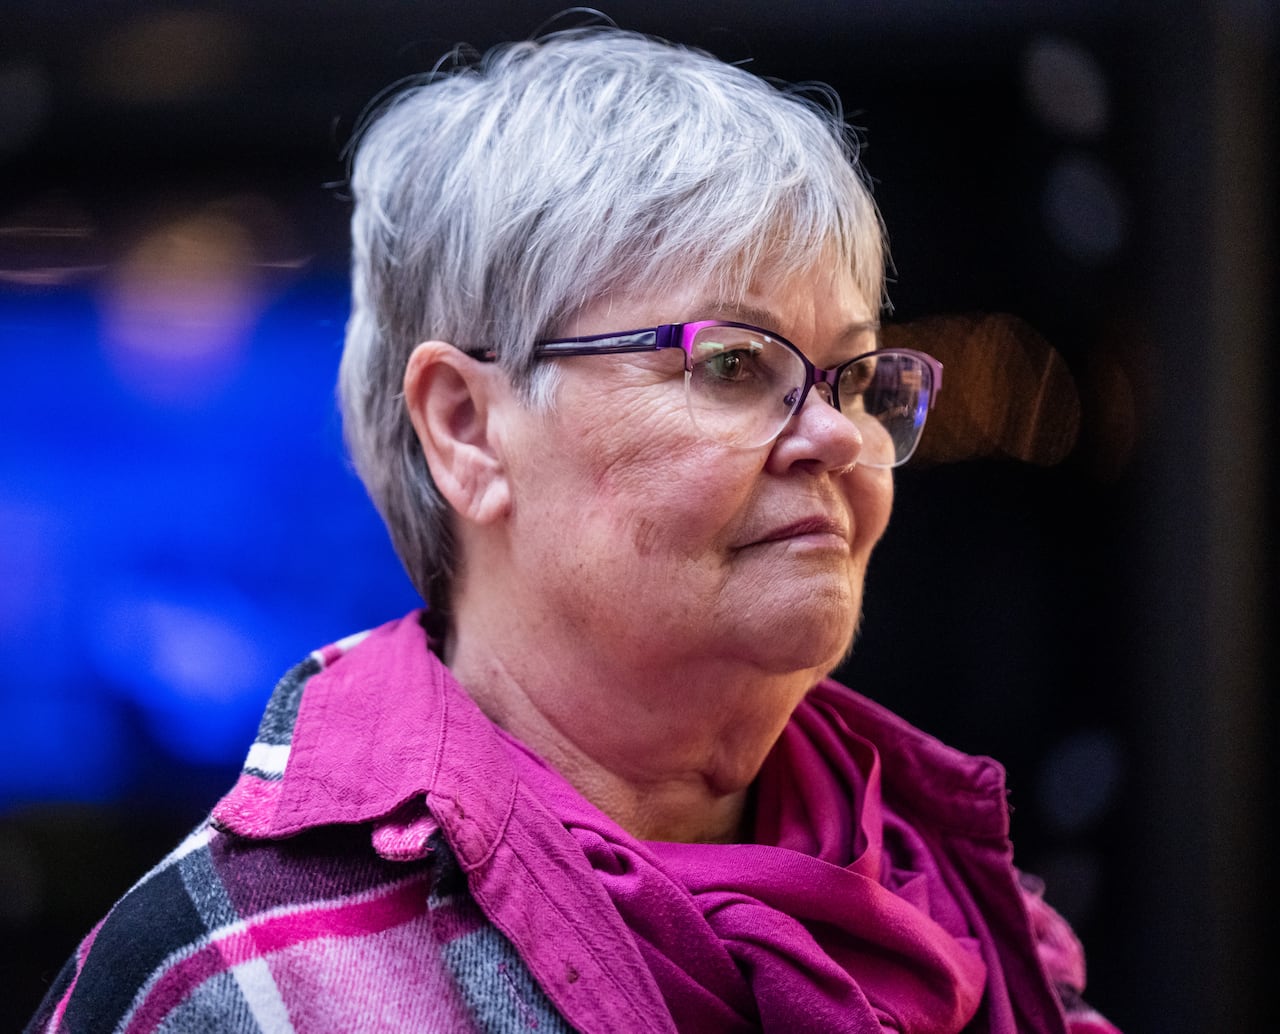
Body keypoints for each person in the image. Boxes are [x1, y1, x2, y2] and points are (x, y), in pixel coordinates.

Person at [29, 27, 1121, 1034]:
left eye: (851, 375)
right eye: (733, 363)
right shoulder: (234, 982)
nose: (836, 437)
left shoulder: (975, 908)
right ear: (467, 429)